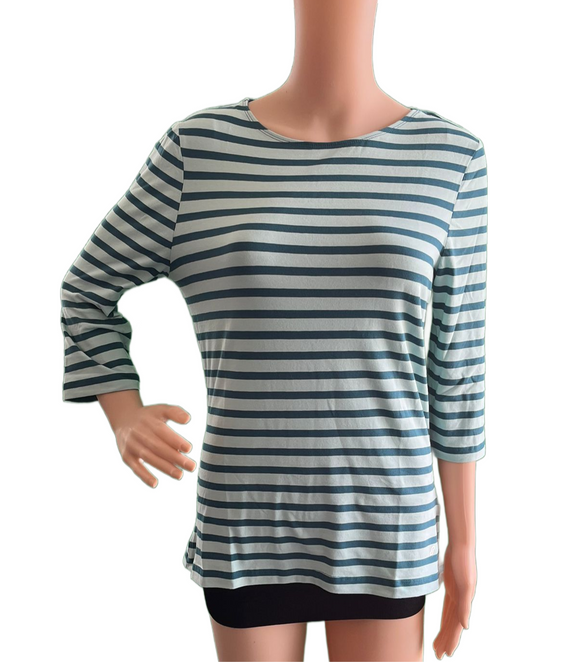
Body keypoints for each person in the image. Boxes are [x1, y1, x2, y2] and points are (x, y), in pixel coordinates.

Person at [60, 1, 487, 660]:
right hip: (246, 523)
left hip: (388, 524)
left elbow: (456, 369)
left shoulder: (450, 156)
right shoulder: (198, 151)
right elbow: (86, 288)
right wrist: (122, 411)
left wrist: (464, 544)